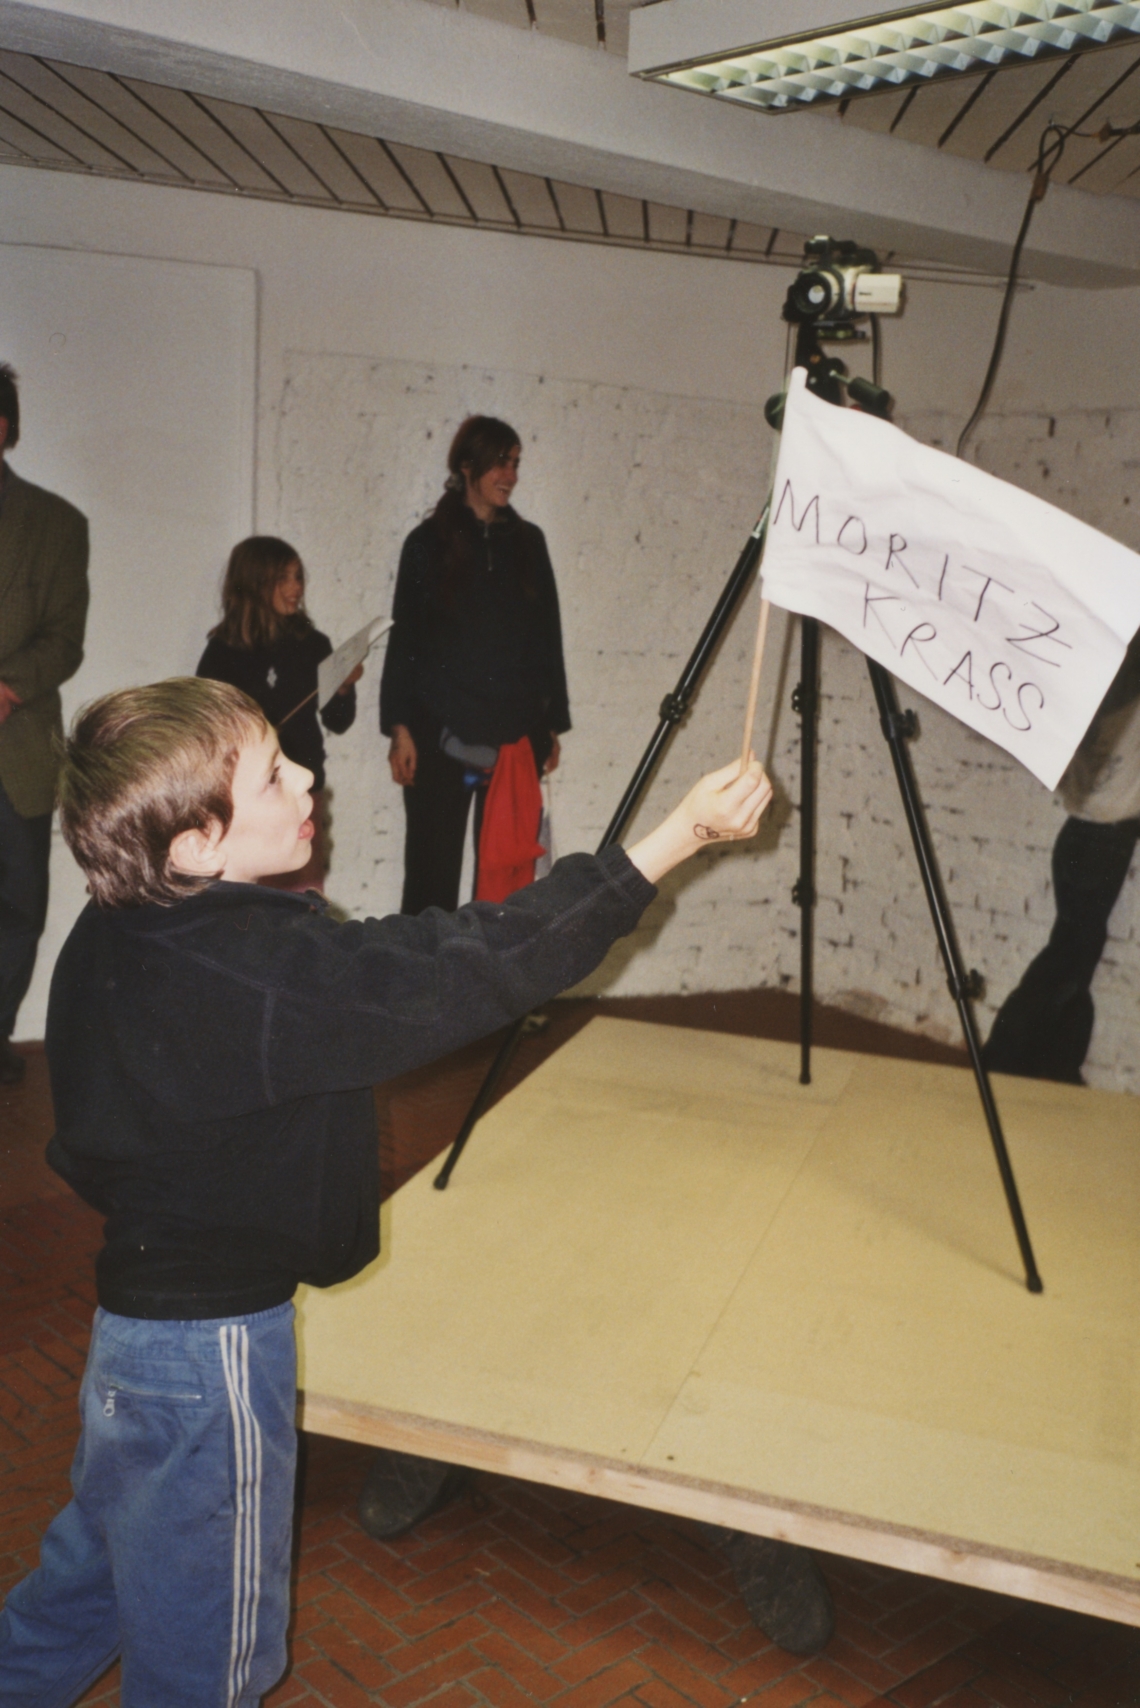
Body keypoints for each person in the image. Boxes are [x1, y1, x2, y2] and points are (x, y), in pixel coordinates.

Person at [0, 674, 774, 1705]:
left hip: (129, 1348)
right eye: (273, 774)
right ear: (194, 842)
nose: (307, 774)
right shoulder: (268, 968)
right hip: (214, 1361)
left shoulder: (110, 927)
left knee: (82, 1595)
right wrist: (675, 836)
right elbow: (480, 962)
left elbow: (88, 1147)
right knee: (211, 1672)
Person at [380, 415, 570, 914]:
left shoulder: (531, 543)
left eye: (515, 463)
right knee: (429, 880)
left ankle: (488, 990)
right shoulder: (425, 545)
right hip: (437, 733)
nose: (510, 475)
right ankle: (421, 988)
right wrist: (400, 728)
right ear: (467, 467)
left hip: (513, 737)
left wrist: (550, 725)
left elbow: (547, 637)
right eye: (499, 463)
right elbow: (405, 643)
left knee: (507, 883)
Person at [983, 633, 1140, 1084]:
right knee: (1068, 955)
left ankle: (1057, 1062)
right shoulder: (1120, 704)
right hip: (1099, 845)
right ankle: (1002, 1058)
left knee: (1076, 952)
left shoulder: (1092, 703)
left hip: (1084, 840)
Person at [0, 361, 89, 1084]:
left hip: (18, 756)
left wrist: (5, 688)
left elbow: (65, 638)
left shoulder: (57, 525)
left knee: (16, 911)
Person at [196, 535, 359, 890]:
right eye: (283, 578)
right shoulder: (222, 651)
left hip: (302, 789)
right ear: (255, 584)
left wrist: (343, 686)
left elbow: (338, 720)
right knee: (253, 904)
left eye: (298, 577)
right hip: (248, 797)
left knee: (304, 900)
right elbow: (205, 730)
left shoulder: (315, 644)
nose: (295, 588)